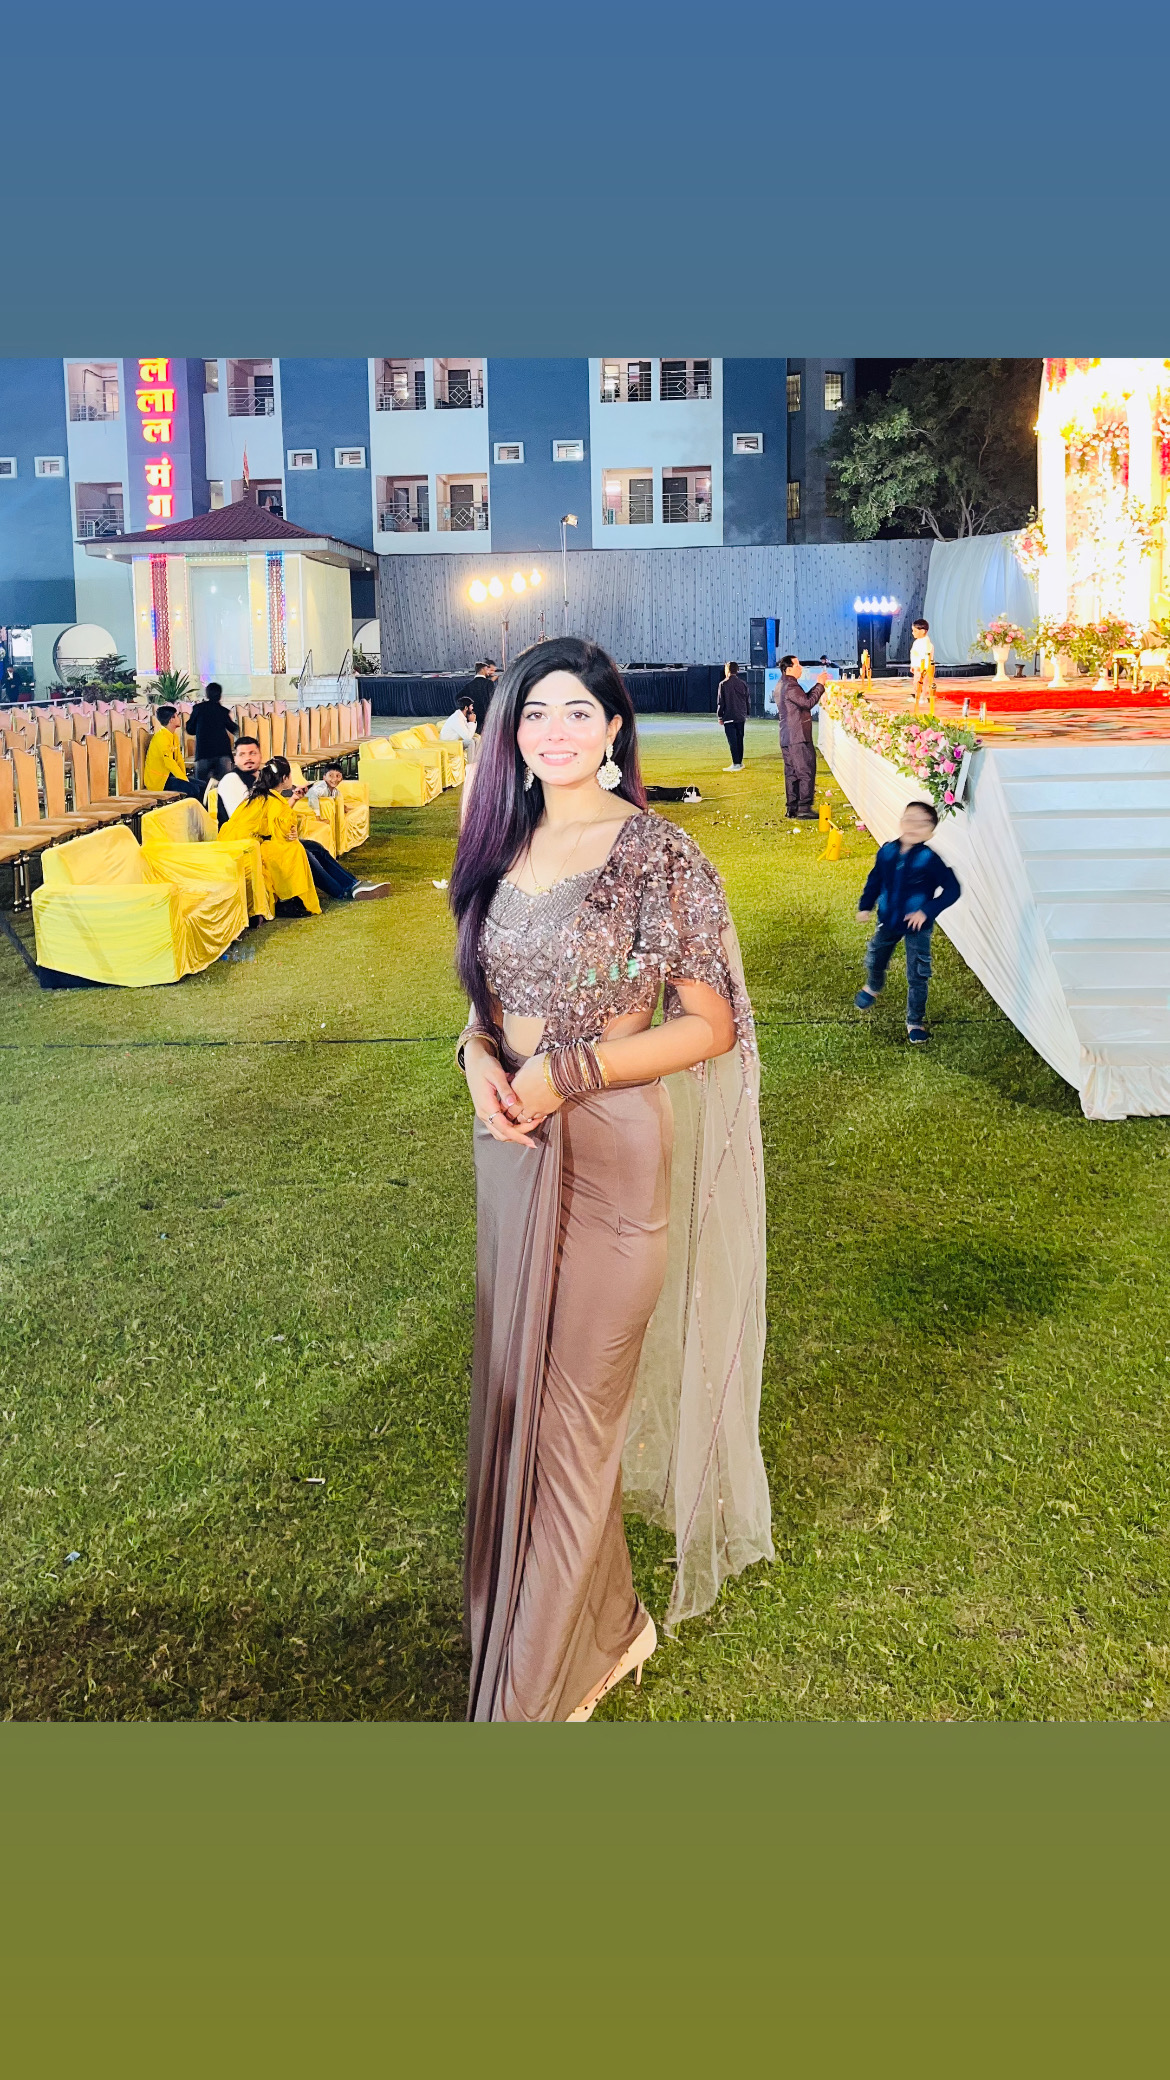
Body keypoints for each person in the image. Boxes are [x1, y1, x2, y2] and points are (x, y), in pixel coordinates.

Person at [449, 635, 772, 1723]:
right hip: (513, 1148)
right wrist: (476, 1058)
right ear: (511, 731)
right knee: (520, 1400)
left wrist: (568, 1070)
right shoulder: (500, 840)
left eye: (578, 712)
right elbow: (486, 1001)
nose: (556, 732)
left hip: (610, 1153)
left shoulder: (656, 853)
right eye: (535, 712)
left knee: (573, 1421)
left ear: (615, 728)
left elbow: (710, 1026)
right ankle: (610, 1623)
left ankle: (532, 1695)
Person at [853, 798, 960, 1046]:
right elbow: (875, 880)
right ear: (901, 821)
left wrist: (927, 911)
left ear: (930, 833)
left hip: (917, 926)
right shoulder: (887, 852)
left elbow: (953, 889)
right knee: (876, 956)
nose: (913, 826)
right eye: (910, 819)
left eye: (922, 824)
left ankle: (915, 1021)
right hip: (888, 919)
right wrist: (866, 906)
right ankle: (873, 986)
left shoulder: (929, 859)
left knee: (918, 973)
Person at [220, 757, 388, 911]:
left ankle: (353, 884)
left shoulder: (262, 795)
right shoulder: (272, 800)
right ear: (284, 779)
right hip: (248, 850)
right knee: (302, 852)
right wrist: (290, 833)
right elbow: (281, 832)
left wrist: (293, 801)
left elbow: (272, 823)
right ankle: (343, 891)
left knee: (314, 847)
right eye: (290, 776)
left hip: (249, 843)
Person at [777, 655, 818, 818]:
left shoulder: (782, 684)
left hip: (787, 736)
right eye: (797, 665)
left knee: (792, 773)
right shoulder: (791, 686)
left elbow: (803, 700)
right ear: (789, 669)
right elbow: (808, 703)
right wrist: (820, 685)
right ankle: (804, 808)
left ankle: (792, 807)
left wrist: (816, 687)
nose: (801, 668)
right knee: (805, 771)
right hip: (798, 736)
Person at [143, 705, 203, 798]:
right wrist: (184, 780)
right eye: (177, 716)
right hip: (160, 780)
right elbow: (170, 763)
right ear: (171, 720)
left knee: (203, 786)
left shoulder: (173, 736)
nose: (179, 718)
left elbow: (179, 759)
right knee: (194, 789)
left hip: (170, 776)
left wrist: (184, 777)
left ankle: (206, 807)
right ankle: (191, 807)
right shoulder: (161, 738)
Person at [185, 681, 238, 784]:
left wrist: (200, 730)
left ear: (207, 694)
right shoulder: (222, 711)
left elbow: (190, 729)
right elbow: (233, 728)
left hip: (203, 752)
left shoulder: (198, 709)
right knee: (224, 784)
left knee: (201, 785)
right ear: (220, 696)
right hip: (222, 752)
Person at [205, 735, 262, 825]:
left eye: (252, 753)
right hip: (239, 832)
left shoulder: (263, 776)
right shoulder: (231, 780)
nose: (248, 758)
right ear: (235, 759)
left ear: (260, 755)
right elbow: (242, 819)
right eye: (242, 754)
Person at [717, 660, 750, 772]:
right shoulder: (743, 683)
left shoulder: (723, 684)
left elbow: (721, 702)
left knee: (733, 741)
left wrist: (720, 716)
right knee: (740, 740)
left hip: (729, 716)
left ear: (727, 670)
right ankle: (739, 762)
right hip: (741, 716)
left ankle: (736, 763)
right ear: (738, 670)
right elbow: (747, 700)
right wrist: (747, 713)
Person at [468, 661, 498, 734]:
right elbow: (493, 699)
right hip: (486, 717)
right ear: (482, 670)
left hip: (474, 718)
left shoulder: (469, 685)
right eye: (487, 669)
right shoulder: (489, 683)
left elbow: (459, 698)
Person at [910, 618, 935, 692]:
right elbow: (914, 656)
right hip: (917, 668)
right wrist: (913, 665)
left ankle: (922, 696)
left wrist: (923, 668)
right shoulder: (917, 642)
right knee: (916, 683)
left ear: (923, 631)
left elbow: (926, 657)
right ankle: (917, 695)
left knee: (922, 683)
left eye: (915, 631)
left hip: (923, 668)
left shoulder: (926, 643)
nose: (913, 633)